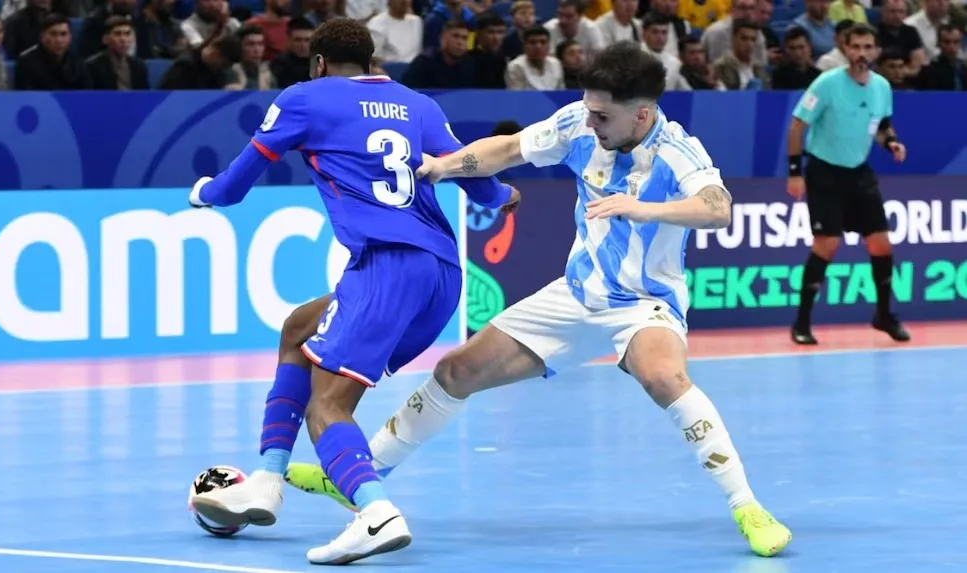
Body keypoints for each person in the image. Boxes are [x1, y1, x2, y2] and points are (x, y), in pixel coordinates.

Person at [286, 40, 794, 558]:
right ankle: (359, 472)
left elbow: (717, 209)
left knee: (663, 376)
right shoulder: (578, 122)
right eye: (589, 109)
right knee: (456, 371)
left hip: (644, 302)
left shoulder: (677, 150)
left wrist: (644, 209)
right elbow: (506, 149)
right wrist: (445, 166)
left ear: (641, 114)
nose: (591, 122)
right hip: (574, 294)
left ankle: (747, 506)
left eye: (603, 115)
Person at [186, 18, 520, 565]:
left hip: (385, 266)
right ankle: (268, 481)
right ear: (369, 61)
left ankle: (374, 513)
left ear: (317, 63)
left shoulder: (305, 98)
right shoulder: (417, 104)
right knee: (299, 328)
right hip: (440, 272)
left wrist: (203, 193)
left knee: (328, 406)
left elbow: (235, 183)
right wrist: (503, 193)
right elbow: (475, 177)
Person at [786, 22, 909, 345]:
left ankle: (883, 315)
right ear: (845, 48)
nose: (861, 54)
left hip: (859, 172)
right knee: (826, 244)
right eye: (856, 47)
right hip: (824, 172)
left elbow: (881, 125)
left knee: (881, 243)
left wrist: (891, 142)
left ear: (876, 51)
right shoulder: (827, 83)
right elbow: (797, 127)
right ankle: (801, 322)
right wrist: (795, 171)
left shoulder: (882, 86)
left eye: (868, 47)